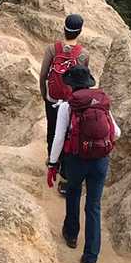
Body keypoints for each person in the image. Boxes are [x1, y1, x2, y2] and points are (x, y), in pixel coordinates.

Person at [45, 63, 119, 263]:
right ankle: (90, 259)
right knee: (94, 206)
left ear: (71, 85)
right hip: (100, 160)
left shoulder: (68, 106)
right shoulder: (101, 101)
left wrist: (53, 163)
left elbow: (59, 138)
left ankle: (71, 235)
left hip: (77, 159)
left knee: (73, 192)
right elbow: (117, 133)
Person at [38, 13, 85, 195]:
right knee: (67, 134)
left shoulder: (52, 49)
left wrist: (45, 95)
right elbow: (82, 80)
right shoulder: (83, 54)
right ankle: (65, 172)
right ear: (79, 32)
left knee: (52, 129)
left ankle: (52, 160)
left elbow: (43, 75)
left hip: (52, 98)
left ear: (64, 29)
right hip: (70, 102)